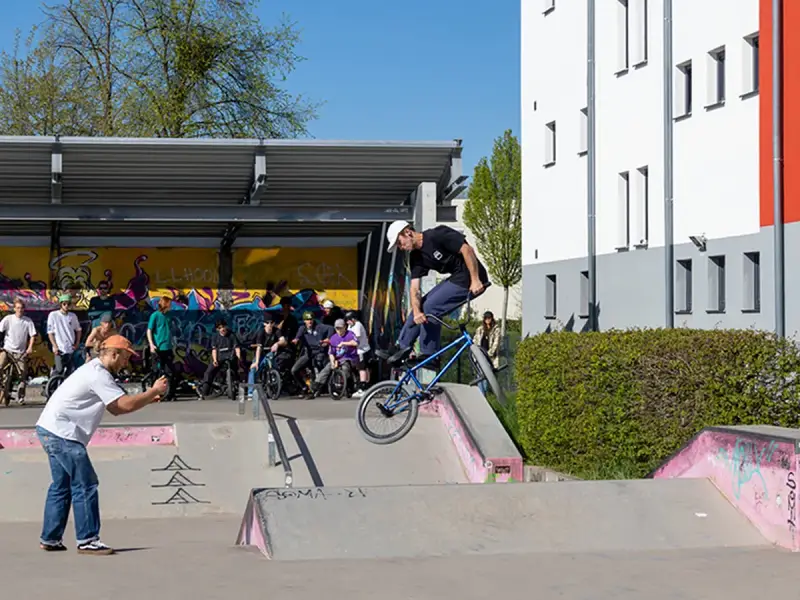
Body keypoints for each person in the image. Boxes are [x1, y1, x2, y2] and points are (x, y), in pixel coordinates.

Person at [35, 335, 168, 555]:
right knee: (86, 484)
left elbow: (117, 406)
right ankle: (88, 540)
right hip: (63, 434)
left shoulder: (92, 370)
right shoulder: (98, 374)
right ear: (114, 354)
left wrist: (145, 398)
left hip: (48, 429)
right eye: (125, 358)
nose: (126, 363)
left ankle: (50, 538)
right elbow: (120, 407)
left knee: (62, 485)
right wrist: (153, 391)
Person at [377, 221, 490, 366]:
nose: (401, 248)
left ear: (407, 232)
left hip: (471, 276)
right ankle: (401, 348)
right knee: (420, 306)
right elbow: (414, 289)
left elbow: (467, 250)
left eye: (399, 243)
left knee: (431, 307)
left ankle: (430, 355)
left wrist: (475, 280)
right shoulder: (416, 257)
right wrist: (417, 312)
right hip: (456, 278)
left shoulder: (437, 235)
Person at [0, 298, 38, 405]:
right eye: (17, 308)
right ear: (14, 308)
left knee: (22, 374)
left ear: (24, 309)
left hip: (20, 352)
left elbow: (32, 336)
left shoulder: (27, 321)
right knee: (0, 366)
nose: (19, 310)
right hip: (7, 350)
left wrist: (29, 347)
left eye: (21, 308)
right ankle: (2, 386)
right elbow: (0, 331)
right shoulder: (8, 319)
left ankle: (20, 397)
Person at [311, 318, 359, 398]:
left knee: (345, 367)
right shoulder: (333, 338)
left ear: (345, 327)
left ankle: (348, 386)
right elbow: (331, 353)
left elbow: (355, 343)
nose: (339, 330)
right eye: (337, 328)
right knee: (327, 368)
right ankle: (316, 386)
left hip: (350, 357)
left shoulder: (350, 334)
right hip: (338, 358)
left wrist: (344, 343)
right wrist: (333, 362)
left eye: (340, 328)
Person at [290, 311, 332, 397]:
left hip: (319, 352)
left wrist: (328, 338)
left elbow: (331, 328)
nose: (309, 322)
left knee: (319, 366)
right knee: (294, 370)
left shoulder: (319, 327)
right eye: (307, 320)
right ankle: (304, 387)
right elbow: (298, 335)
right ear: (304, 321)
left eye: (311, 319)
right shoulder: (302, 328)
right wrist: (296, 339)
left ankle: (317, 388)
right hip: (308, 353)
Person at [248, 314, 290, 397]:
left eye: (272, 323)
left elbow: (284, 341)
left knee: (277, 364)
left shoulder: (276, 330)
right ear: (264, 324)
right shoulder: (261, 333)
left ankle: (275, 381)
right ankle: (250, 392)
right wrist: (256, 362)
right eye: (267, 323)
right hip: (261, 354)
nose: (270, 325)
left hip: (272, 353)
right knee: (253, 369)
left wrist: (277, 344)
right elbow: (259, 348)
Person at [199, 320, 241, 398]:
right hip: (219, 357)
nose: (222, 329)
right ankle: (204, 393)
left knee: (238, 370)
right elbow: (214, 350)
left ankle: (236, 387)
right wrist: (215, 360)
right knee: (209, 372)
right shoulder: (215, 337)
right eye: (220, 328)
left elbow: (237, 347)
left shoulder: (232, 335)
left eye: (223, 327)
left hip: (230, 357)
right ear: (217, 329)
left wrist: (239, 358)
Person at [146, 296, 178, 401]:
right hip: (158, 348)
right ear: (165, 304)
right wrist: (151, 344)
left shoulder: (168, 316)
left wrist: (173, 343)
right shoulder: (155, 315)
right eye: (170, 305)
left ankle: (170, 394)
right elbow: (149, 330)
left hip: (167, 347)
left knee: (170, 372)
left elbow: (169, 331)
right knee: (157, 371)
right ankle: (153, 394)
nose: (171, 307)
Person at [47, 294, 82, 376]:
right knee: (59, 369)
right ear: (60, 304)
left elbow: (78, 330)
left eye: (68, 304)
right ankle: (52, 385)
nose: (66, 306)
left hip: (70, 348)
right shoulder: (53, 315)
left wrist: (77, 343)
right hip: (59, 348)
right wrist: (55, 346)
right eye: (64, 304)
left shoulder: (73, 316)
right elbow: (50, 333)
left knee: (70, 371)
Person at [473, 311, 501, 394]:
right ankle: (480, 394)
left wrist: (489, 354)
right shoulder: (480, 329)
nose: (487, 320)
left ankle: (483, 394)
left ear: (492, 319)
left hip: (489, 356)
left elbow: (496, 343)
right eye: (486, 318)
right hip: (479, 355)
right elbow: (475, 340)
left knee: (486, 376)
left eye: (489, 318)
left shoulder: (496, 330)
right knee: (479, 375)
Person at [345, 310, 371, 398]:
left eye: (348, 320)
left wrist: (344, 343)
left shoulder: (358, 325)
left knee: (362, 368)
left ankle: (363, 388)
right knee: (362, 368)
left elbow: (355, 339)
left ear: (353, 319)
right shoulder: (351, 325)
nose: (347, 322)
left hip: (362, 350)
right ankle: (365, 387)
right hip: (357, 351)